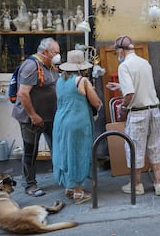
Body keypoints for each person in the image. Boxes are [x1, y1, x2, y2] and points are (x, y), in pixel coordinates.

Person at [106, 36, 160, 196]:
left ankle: (137, 184)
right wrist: (120, 85)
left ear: (121, 50)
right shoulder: (144, 62)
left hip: (138, 113)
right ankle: (158, 182)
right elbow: (142, 86)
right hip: (154, 110)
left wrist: (123, 107)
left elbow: (130, 93)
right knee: (154, 146)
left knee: (134, 148)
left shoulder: (124, 66)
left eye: (116, 51)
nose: (116, 54)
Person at [12, 37, 61, 197]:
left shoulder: (51, 65)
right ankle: (29, 185)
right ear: (45, 52)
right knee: (30, 152)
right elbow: (23, 94)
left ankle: (62, 178)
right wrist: (33, 115)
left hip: (50, 117)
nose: (58, 55)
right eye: (55, 52)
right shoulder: (31, 66)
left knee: (58, 148)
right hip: (31, 119)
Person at [52, 50, 102, 204]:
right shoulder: (82, 81)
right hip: (78, 122)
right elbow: (96, 103)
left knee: (65, 152)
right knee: (78, 153)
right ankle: (78, 192)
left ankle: (69, 187)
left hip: (60, 121)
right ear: (82, 67)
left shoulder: (60, 80)